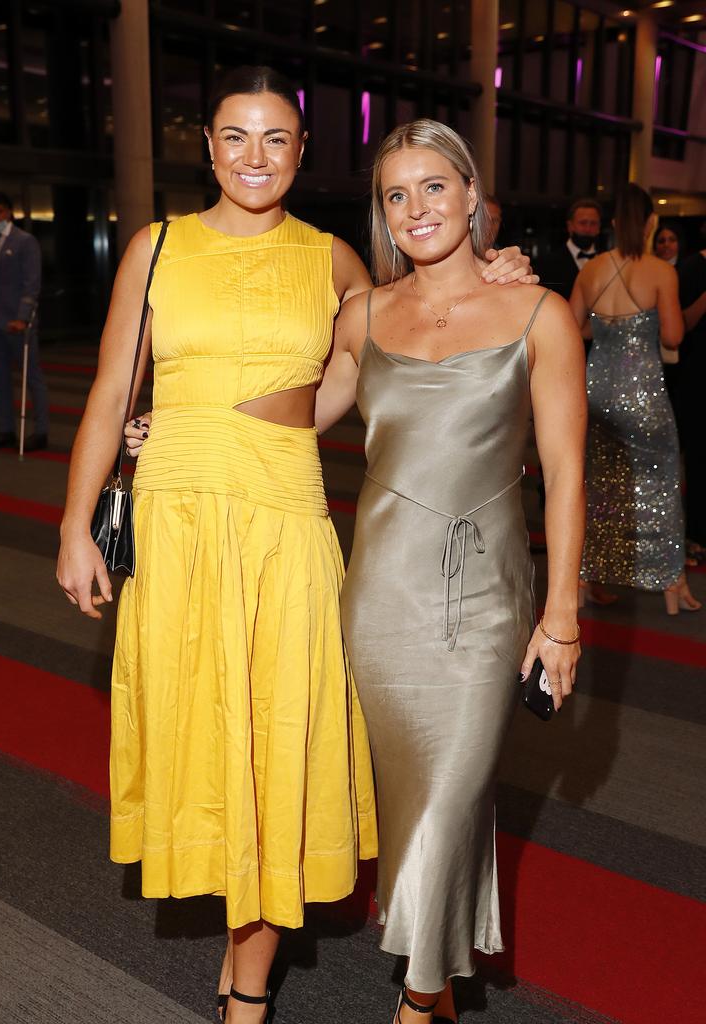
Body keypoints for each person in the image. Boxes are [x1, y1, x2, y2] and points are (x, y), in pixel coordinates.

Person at [58, 68, 535, 1024]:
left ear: (303, 152)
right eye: (235, 136)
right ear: (204, 145)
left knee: (278, 746)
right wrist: (75, 524)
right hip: (181, 525)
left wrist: (495, 268)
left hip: (284, 530)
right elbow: (114, 390)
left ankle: (246, 988)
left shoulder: (330, 263)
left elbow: (420, 318)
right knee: (210, 747)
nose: (254, 157)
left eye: (276, 139)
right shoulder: (155, 250)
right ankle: (243, 964)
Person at [311, 119, 585, 1024]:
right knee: (416, 801)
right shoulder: (365, 315)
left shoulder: (541, 315)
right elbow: (298, 415)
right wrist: (183, 423)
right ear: (383, 216)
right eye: (397, 194)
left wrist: (563, 614)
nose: (417, 207)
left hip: (487, 599)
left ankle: (417, 1000)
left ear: (473, 196)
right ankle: (437, 991)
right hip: (382, 591)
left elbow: (568, 474)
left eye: (435, 186)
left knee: (454, 790)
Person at [569, 183, 700, 614]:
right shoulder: (662, 271)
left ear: (610, 224)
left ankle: (586, 579)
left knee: (599, 488)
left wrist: (605, 328)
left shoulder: (591, 271)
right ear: (648, 224)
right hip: (644, 391)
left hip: (598, 391)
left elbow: (572, 330)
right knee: (661, 485)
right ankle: (671, 586)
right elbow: (673, 335)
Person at [0, 191, 49, 451]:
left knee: (32, 376)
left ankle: (41, 431)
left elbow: (32, 284)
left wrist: (22, 317)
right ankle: (5, 429)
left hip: (20, 323)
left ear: (8, 213)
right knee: (0, 377)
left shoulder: (25, 241)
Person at [677, 229, 706, 561]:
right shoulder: (692, 268)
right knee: (698, 457)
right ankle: (697, 532)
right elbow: (679, 327)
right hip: (697, 374)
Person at [537, 196, 603, 300]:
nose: (588, 229)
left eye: (593, 223)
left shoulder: (607, 262)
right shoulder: (547, 263)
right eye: (583, 223)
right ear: (570, 226)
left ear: (599, 227)